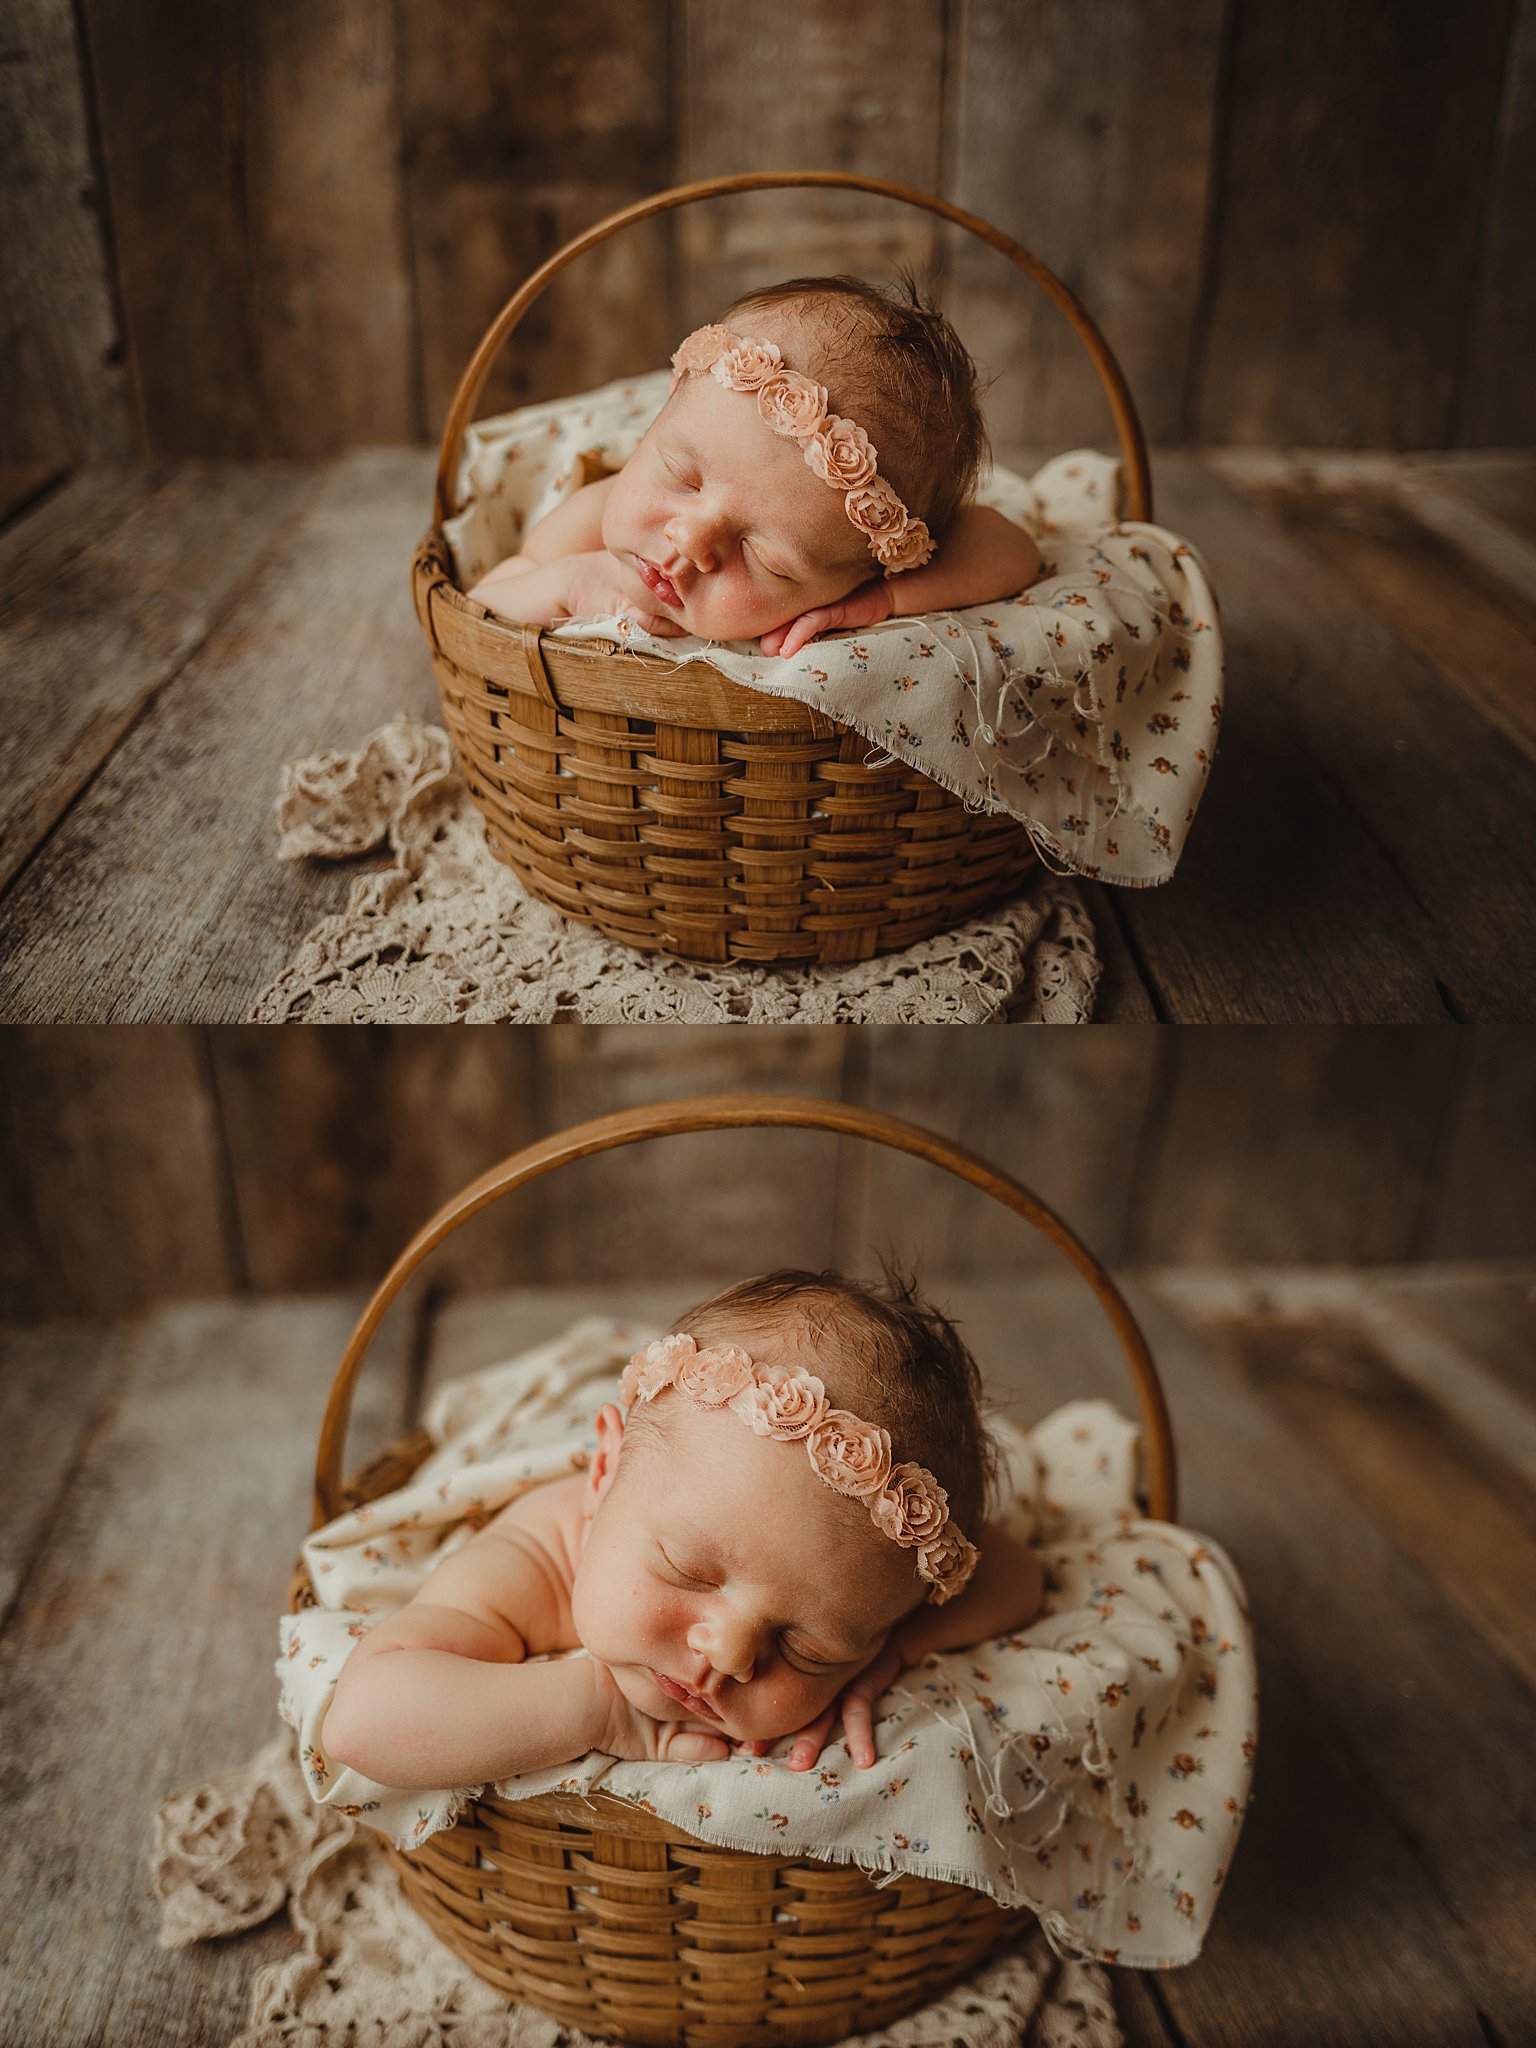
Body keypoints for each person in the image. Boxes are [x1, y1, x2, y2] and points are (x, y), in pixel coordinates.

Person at [321, 1269, 1046, 1791]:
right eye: (688, 1572)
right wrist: (597, 1710)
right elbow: (361, 1720)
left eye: (807, 1647)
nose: (729, 1655)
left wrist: (892, 1649)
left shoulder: (867, 1587)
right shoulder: (535, 1560)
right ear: (603, 1472)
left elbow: (1018, 1573)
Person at [464, 274, 1042, 661]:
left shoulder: (846, 581)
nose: (690, 538)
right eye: (680, 475)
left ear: (866, 573)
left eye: (765, 559)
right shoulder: (595, 521)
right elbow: (481, 604)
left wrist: (881, 603)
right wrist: (566, 584)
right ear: (659, 418)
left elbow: (1015, 550)